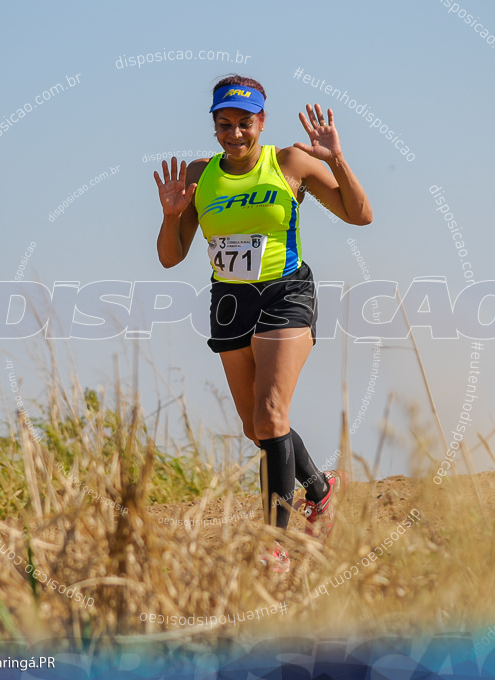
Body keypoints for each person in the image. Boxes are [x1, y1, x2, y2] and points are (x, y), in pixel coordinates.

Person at [154, 76, 372, 572]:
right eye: (224, 125)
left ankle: (274, 545)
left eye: (244, 124)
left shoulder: (288, 163)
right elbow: (170, 258)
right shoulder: (197, 173)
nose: (235, 135)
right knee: (259, 429)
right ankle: (320, 490)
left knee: (272, 413)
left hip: (286, 294)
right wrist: (171, 216)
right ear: (213, 125)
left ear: (262, 123)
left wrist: (335, 158)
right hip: (229, 302)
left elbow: (361, 216)